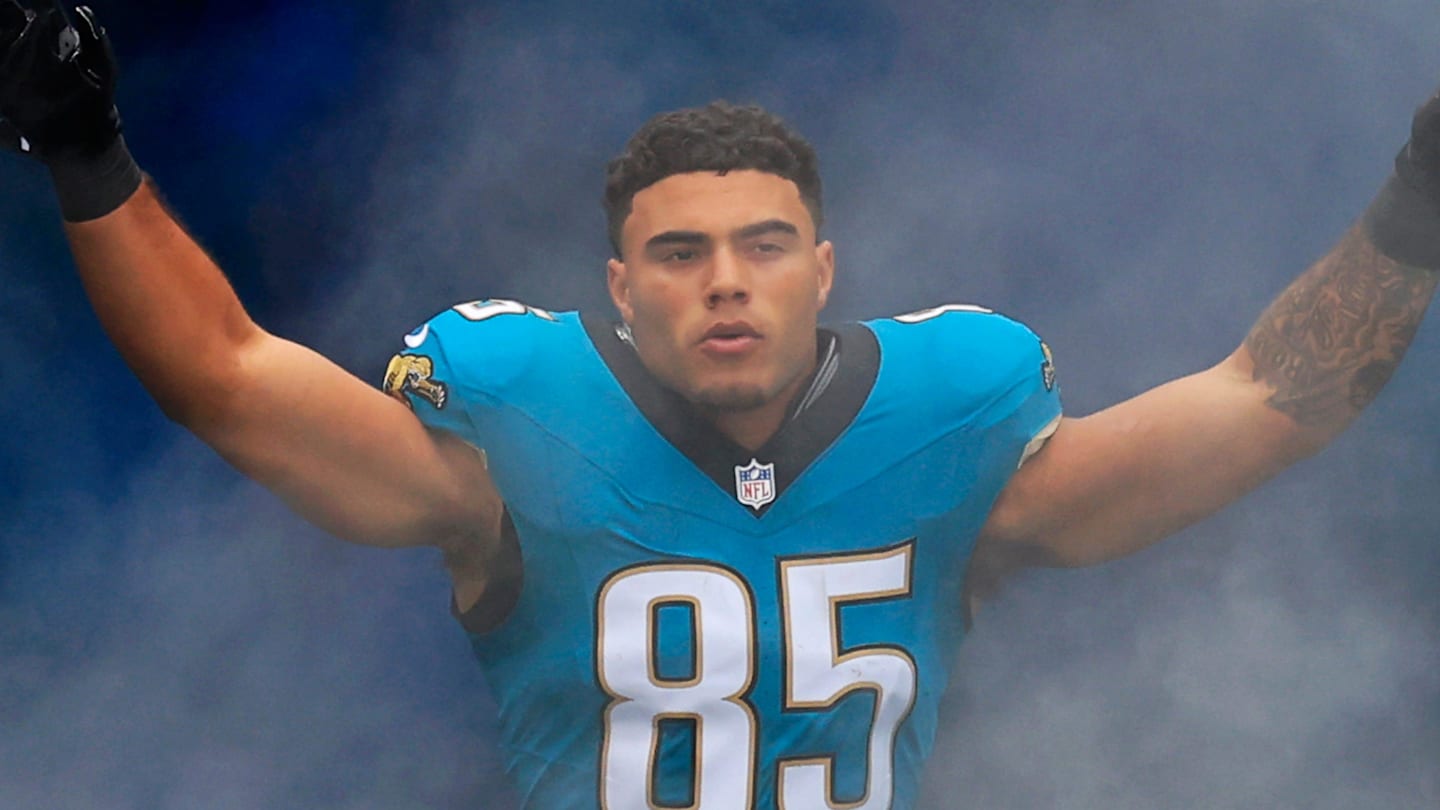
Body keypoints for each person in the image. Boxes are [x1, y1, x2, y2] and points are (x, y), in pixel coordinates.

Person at [3, 4, 1437, 808]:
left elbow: (1266, 399)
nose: (726, 285)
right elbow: (231, 378)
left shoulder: (948, 428)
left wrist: (1417, 206)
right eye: (682, 255)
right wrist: (82, 146)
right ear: (620, 289)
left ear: (825, 270)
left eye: (763, 247)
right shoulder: (516, 433)